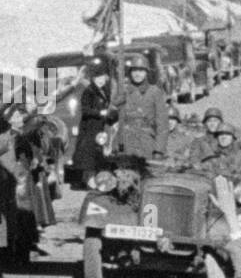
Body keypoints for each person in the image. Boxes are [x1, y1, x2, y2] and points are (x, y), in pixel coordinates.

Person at [112, 52, 168, 160]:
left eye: (141, 70)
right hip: (125, 143)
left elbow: (162, 125)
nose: (137, 74)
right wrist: (115, 105)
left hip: (146, 143)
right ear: (130, 73)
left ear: (146, 72)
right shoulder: (123, 91)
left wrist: (159, 150)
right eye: (134, 70)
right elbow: (111, 119)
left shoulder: (155, 92)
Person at [70, 58, 115, 187]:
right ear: (93, 79)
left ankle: (96, 180)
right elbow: (85, 110)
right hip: (90, 128)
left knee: (98, 155)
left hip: (99, 127)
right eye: (98, 78)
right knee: (88, 156)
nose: (101, 80)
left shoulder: (104, 91)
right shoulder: (89, 92)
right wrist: (100, 113)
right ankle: (89, 181)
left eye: (103, 78)